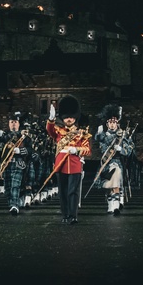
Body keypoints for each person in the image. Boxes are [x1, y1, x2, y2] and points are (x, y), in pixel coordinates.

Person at [45, 96, 92, 224]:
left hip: (75, 165)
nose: (69, 119)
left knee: (73, 192)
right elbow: (49, 130)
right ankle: (65, 215)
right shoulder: (59, 132)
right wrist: (51, 119)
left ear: (75, 117)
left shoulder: (81, 133)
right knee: (63, 193)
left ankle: (73, 215)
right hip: (60, 165)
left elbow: (88, 150)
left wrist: (77, 150)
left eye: (71, 117)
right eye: (66, 117)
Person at [92, 104, 136, 216]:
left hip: (117, 162)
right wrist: (99, 134)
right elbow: (99, 143)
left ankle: (116, 206)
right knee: (108, 186)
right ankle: (110, 205)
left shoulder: (122, 135)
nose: (112, 124)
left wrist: (121, 149)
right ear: (107, 124)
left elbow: (130, 148)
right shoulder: (103, 135)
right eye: (110, 122)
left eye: (114, 122)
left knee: (115, 182)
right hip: (106, 163)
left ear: (117, 123)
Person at [0, 111, 31, 215]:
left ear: (19, 123)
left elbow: (30, 150)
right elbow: (0, 147)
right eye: (11, 122)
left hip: (18, 163)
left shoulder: (24, 136)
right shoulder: (5, 136)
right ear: (8, 123)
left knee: (15, 185)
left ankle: (14, 205)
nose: (13, 124)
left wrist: (20, 151)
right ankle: (12, 202)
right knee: (8, 186)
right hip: (7, 164)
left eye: (15, 122)